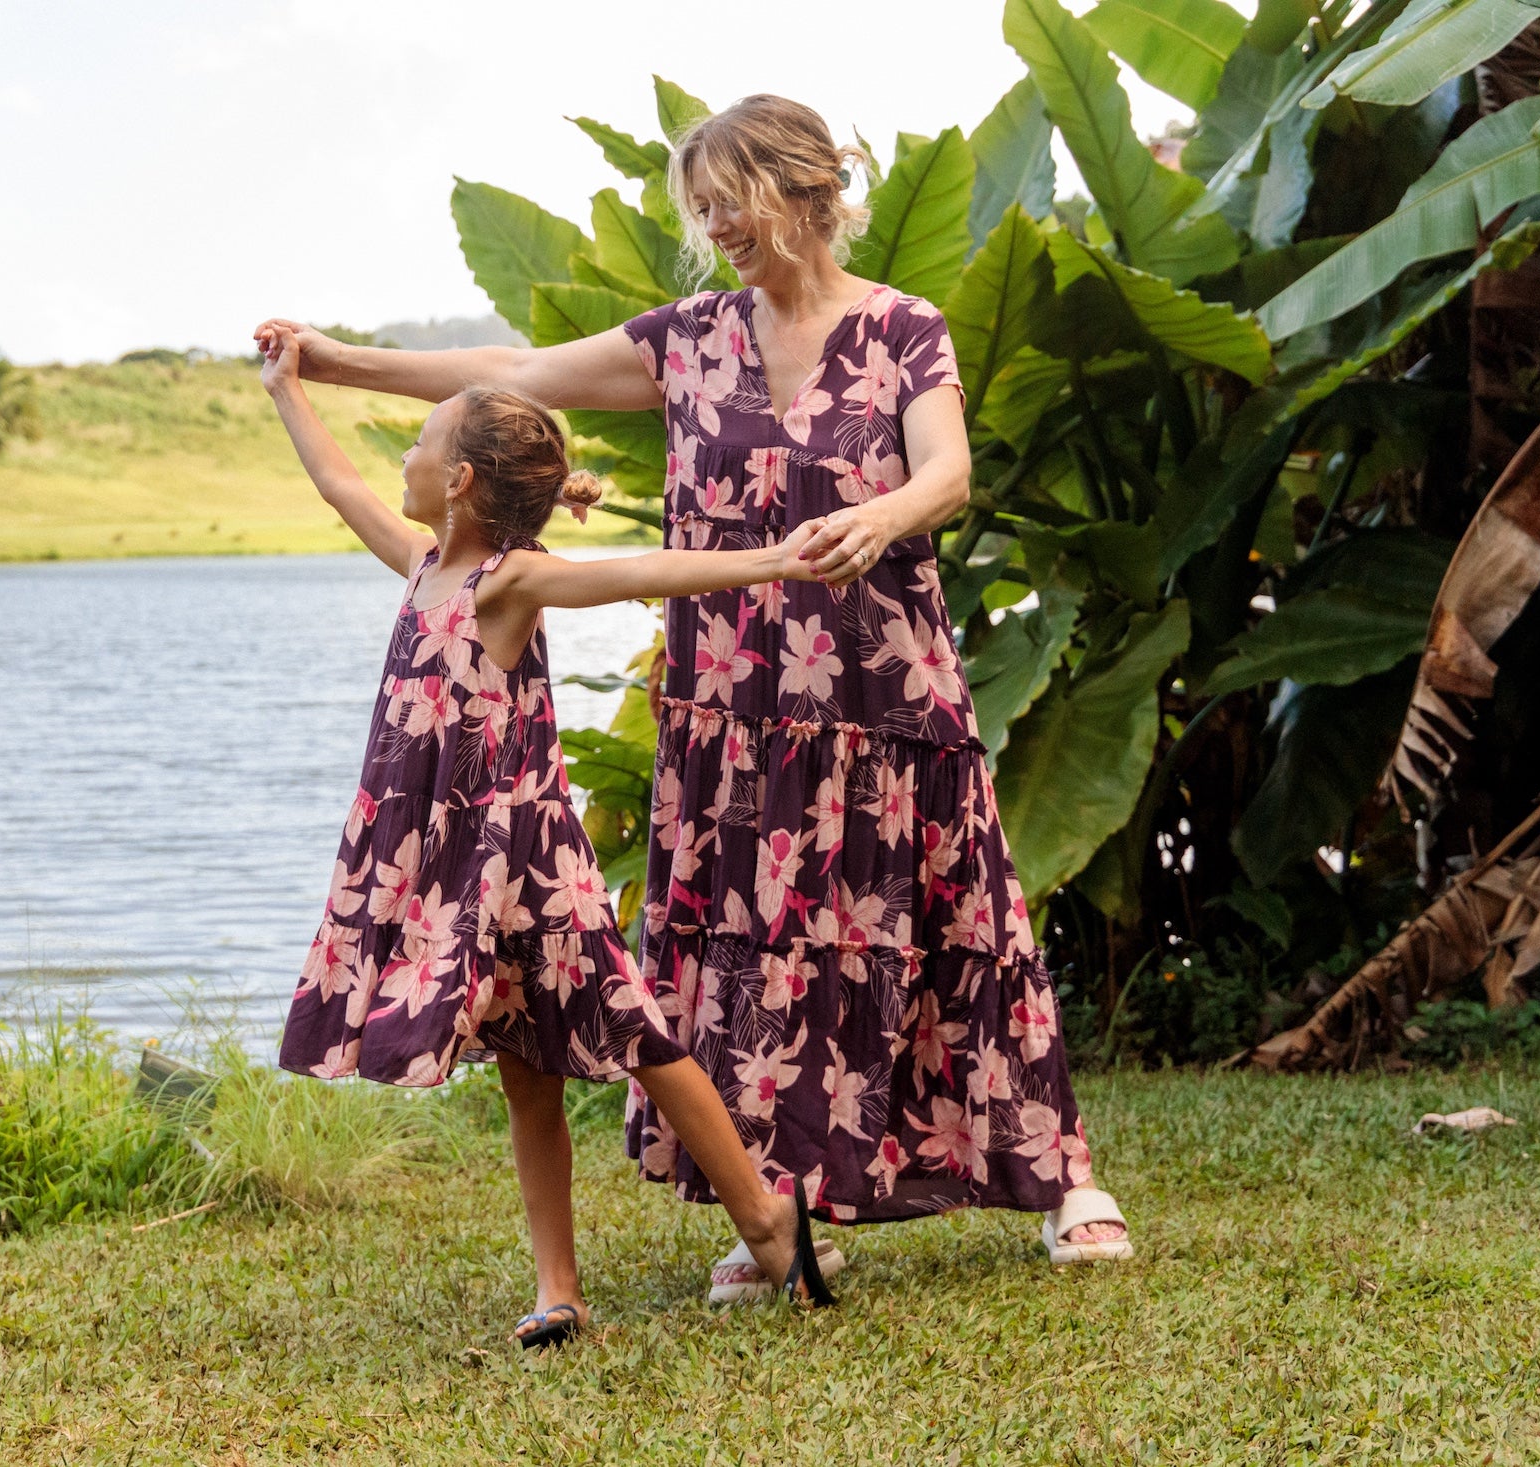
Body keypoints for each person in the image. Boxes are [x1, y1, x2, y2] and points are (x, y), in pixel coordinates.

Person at [252, 92, 1131, 1302]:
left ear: (801, 191)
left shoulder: (903, 330)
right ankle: (772, 1204)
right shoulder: (690, 337)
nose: (715, 226)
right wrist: (332, 359)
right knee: (747, 947)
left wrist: (878, 517)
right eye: (702, 209)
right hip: (730, 699)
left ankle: (1064, 1175)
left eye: (731, 202)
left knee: (950, 919)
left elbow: (947, 473)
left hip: (883, 684)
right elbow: (511, 372)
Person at [258, 324, 834, 1345]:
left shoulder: (508, 585)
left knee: (640, 1037)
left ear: (461, 480)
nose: (403, 459)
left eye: (422, 445)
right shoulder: (422, 568)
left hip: (529, 862)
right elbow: (340, 488)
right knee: (528, 1076)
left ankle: (766, 1220)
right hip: (452, 868)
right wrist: (286, 392)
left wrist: (776, 558)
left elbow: (643, 573)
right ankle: (557, 1291)